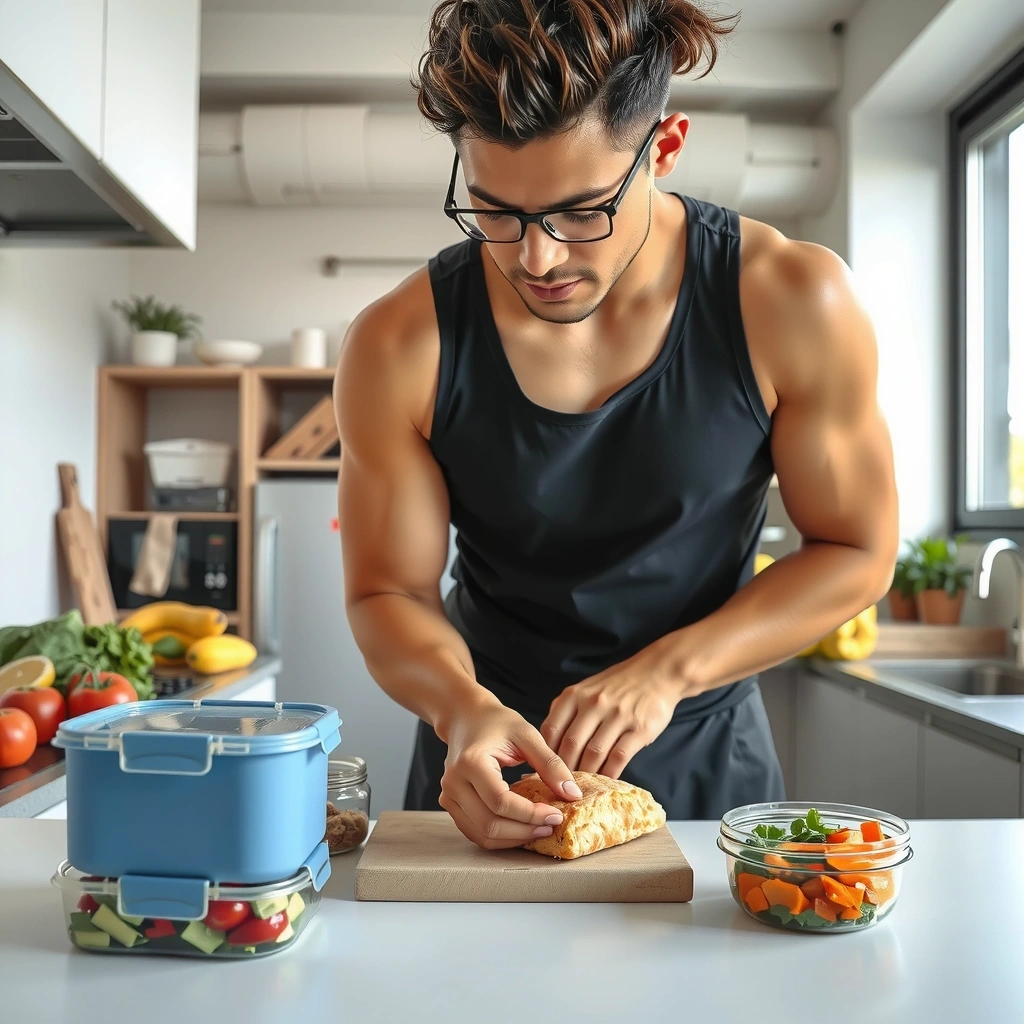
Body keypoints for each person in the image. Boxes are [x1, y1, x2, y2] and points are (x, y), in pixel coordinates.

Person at [333, 0, 899, 850]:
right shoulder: (398, 343)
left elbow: (857, 550)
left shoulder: (792, 301)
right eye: (495, 211)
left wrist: (668, 672)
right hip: (490, 765)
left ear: (663, 149)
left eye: (580, 211)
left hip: (706, 755)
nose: (538, 258)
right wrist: (463, 709)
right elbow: (389, 592)